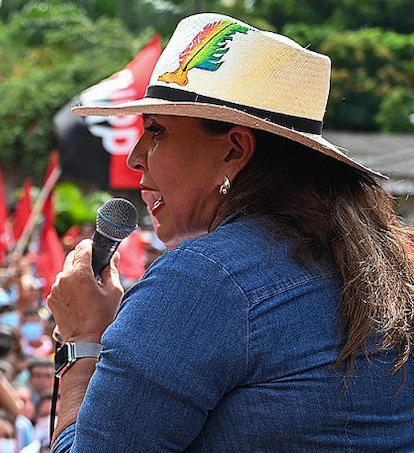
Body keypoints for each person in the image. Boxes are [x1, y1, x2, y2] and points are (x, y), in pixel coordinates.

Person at [49, 12, 414, 452]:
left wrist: (83, 341)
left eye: (157, 132)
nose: (135, 157)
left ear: (234, 150)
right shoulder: (380, 266)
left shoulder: (203, 280)